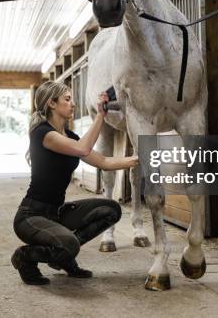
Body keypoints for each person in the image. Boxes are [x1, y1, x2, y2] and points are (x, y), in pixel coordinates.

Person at [11, 80, 138, 285]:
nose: (72, 104)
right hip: (31, 216)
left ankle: (62, 254)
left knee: (111, 210)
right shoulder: (42, 133)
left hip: (57, 213)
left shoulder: (70, 136)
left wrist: (139, 159)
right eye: (67, 99)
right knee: (70, 243)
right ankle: (25, 257)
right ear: (52, 103)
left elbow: (104, 162)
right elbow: (82, 150)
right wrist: (100, 115)